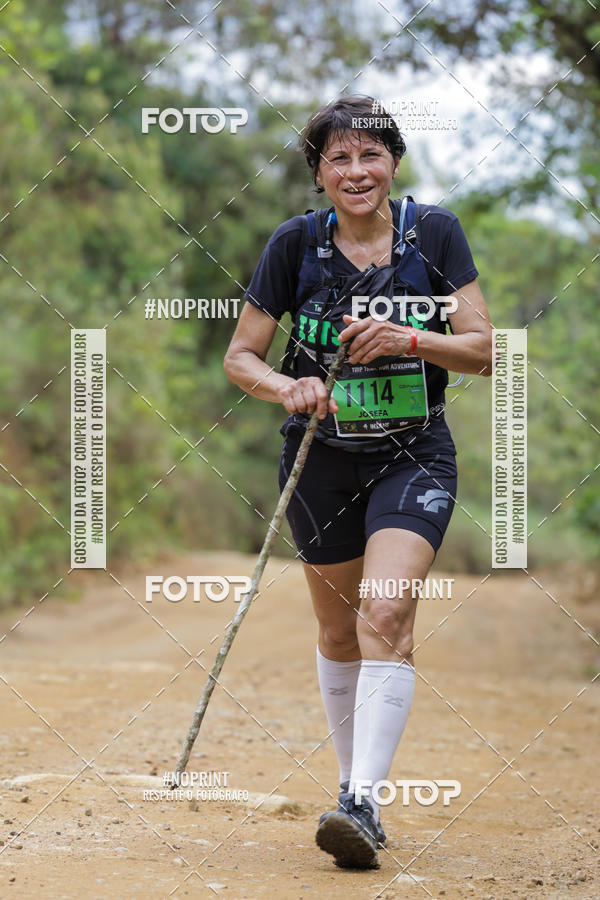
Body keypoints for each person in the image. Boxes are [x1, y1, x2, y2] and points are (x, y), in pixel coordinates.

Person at [223, 95, 492, 869]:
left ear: (394, 162)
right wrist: (287, 388)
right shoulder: (294, 245)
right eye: (337, 158)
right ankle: (352, 789)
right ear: (318, 173)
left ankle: (363, 802)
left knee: (387, 609)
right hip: (321, 458)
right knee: (340, 632)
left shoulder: (433, 234)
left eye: (369, 155)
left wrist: (411, 336)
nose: (356, 171)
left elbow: (482, 349)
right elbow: (241, 355)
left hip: (413, 454)